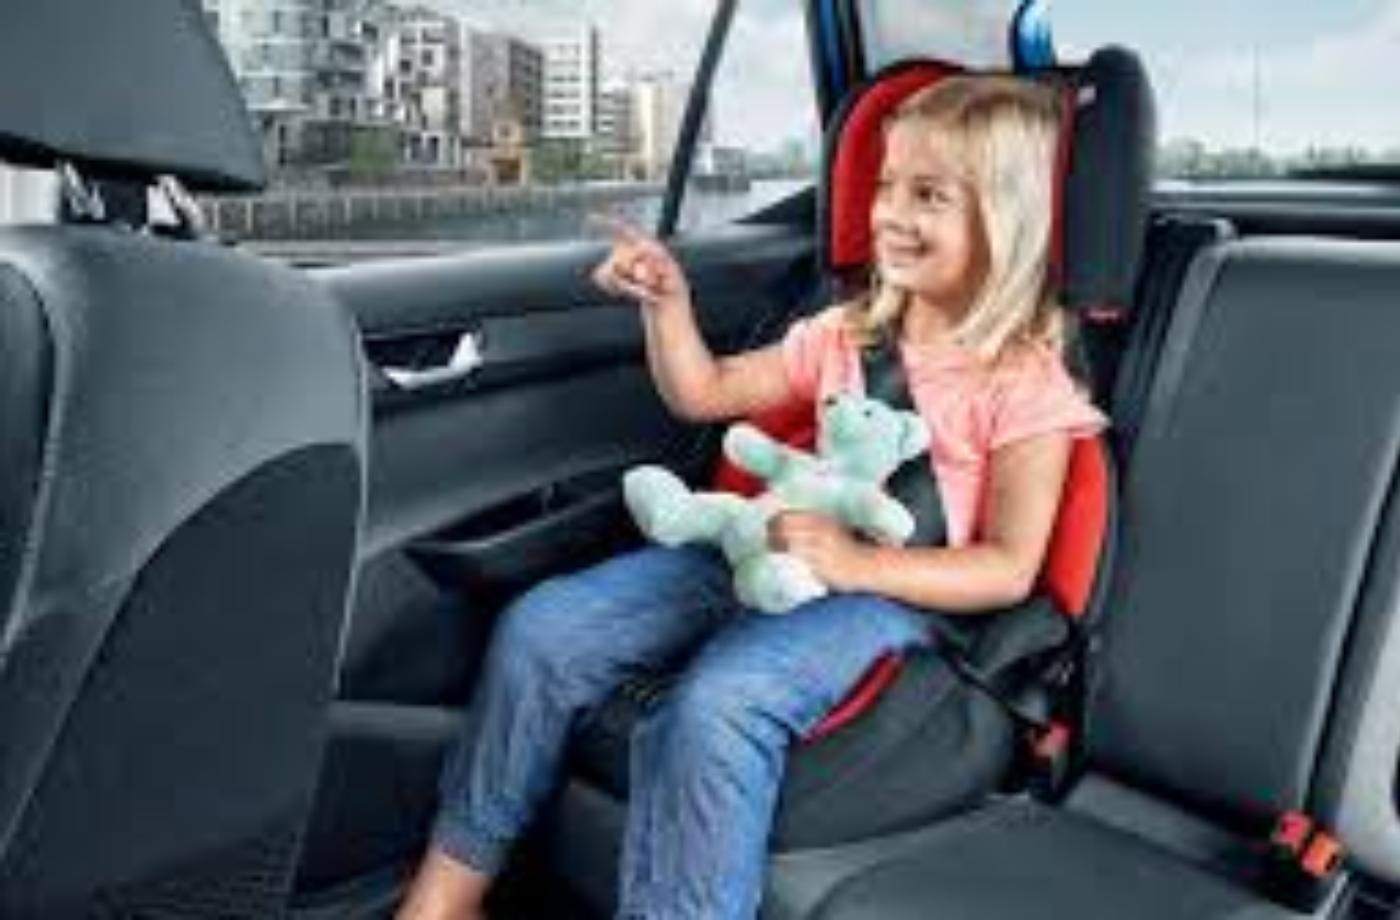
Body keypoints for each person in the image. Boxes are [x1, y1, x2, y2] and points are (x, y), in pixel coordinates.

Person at [397, 74, 1105, 920]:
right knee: (542, 629)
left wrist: (855, 564)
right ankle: (447, 896)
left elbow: (1008, 568)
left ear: (1005, 219)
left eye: (929, 196)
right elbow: (706, 392)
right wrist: (668, 307)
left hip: (900, 598)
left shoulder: (1023, 379)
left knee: (719, 704)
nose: (890, 213)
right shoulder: (848, 332)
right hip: (764, 553)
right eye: (886, 185)